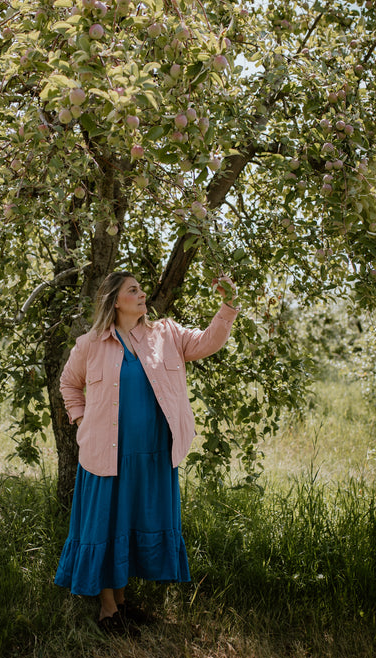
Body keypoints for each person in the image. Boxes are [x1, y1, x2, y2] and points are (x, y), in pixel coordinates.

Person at [54, 271, 240, 635]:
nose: (142, 295)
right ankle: (108, 612)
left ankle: (122, 603)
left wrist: (228, 303)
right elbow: (68, 384)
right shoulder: (91, 343)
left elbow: (207, 342)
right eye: (133, 290)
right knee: (106, 526)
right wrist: (80, 420)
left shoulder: (165, 335)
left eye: (141, 289)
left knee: (127, 525)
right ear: (114, 300)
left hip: (153, 454)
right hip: (106, 455)